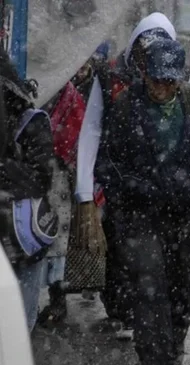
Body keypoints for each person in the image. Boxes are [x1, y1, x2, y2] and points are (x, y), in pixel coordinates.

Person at [96, 38, 190, 365]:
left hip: (189, 214)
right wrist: (137, 185)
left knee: (188, 287)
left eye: (169, 80)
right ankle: (155, 356)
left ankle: (175, 338)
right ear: (145, 74)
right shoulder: (127, 105)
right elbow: (108, 161)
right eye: (157, 79)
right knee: (147, 288)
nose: (162, 87)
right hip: (140, 216)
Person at [37, 43, 111, 326]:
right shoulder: (59, 93)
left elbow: (80, 135)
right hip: (46, 175)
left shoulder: (71, 96)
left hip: (62, 181)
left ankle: (59, 300)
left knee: (58, 240)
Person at [0, 48, 55, 333]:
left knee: (17, 328)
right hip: (22, 243)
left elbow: (41, 178)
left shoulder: (31, 121)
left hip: (20, 239)